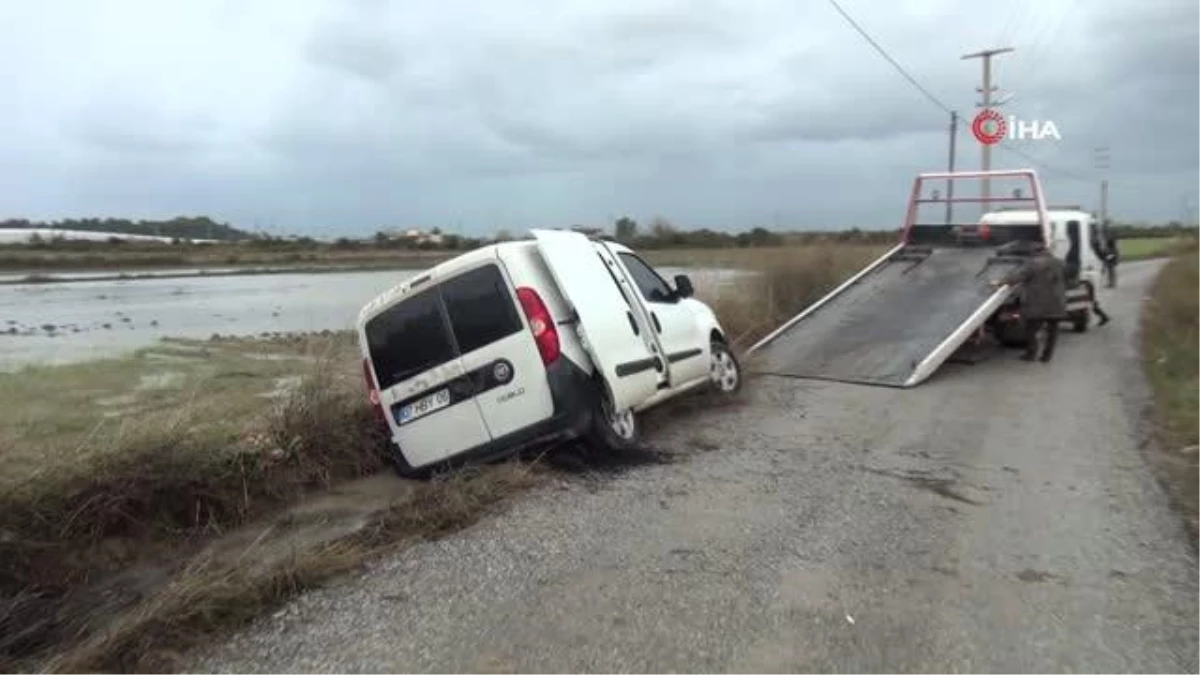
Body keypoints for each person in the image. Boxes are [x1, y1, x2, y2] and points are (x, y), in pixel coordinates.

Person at [991, 242, 1068, 362]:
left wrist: (1000, 282)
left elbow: (1017, 276)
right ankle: (1046, 356)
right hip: (1057, 303)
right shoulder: (1058, 262)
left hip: (1039, 305)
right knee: (1053, 332)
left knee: (1030, 330)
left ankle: (1031, 354)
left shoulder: (1033, 264)